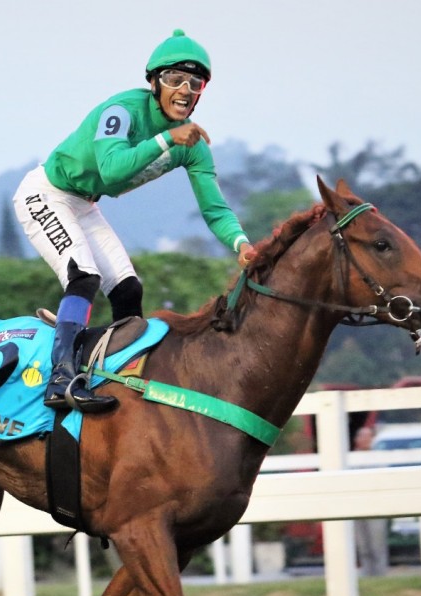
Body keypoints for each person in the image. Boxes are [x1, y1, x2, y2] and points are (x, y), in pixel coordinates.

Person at [14, 29, 253, 412]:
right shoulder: (123, 110)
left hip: (84, 204)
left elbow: (215, 210)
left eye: (196, 83)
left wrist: (241, 244)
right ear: (154, 83)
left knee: (128, 291)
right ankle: (60, 379)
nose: (186, 90)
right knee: (84, 276)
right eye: (175, 79)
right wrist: (168, 139)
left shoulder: (192, 144)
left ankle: (120, 377)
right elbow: (111, 171)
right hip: (45, 195)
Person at [351, 425, 389, 577]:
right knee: (363, 545)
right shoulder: (350, 458)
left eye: (368, 437)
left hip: (375, 507)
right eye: (362, 436)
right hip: (357, 508)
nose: (366, 440)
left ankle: (380, 575)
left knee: (377, 544)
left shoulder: (378, 458)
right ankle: (367, 575)